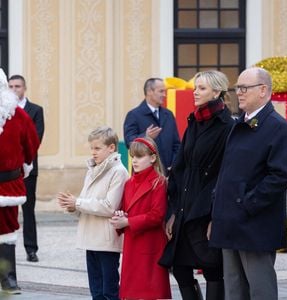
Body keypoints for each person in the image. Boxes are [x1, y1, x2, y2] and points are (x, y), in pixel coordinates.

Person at [209, 67, 287, 300]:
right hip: (229, 222)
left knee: (260, 291)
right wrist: (218, 211)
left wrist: (247, 204)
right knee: (234, 290)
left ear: (263, 90)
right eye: (238, 88)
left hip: (255, 225)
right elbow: (228, 172)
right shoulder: (239, 125)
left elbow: (280, 177)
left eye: (244, 88)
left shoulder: (277, 127)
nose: (239, 93)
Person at [159, 70, 234, 300]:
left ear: (217, 91)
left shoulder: (228, 126)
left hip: (205, 211)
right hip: (184, 209)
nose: (196, 92)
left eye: (202, 88)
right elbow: (179, 168)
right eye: (196, 88)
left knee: (213, 269)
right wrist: (172, 212)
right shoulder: (194, 122)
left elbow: (225, 174)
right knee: (180, 268)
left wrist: (215, 216)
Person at [57, 126, 129, 300]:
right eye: (91, 148)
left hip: (106, 240)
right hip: (90, 239)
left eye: (97, 148)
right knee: (96, 292)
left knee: (109, 291)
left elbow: (109, 206)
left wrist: (78, 203)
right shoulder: (92, 170)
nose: (93, 152)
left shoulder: (119, 172)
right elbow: (85, 204)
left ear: (111, 148)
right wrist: (73, 207)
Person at [110, 137, 171, 300]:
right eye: (133, 156)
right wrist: (120, 217)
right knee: (131, 293)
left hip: (151, 243)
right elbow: (124, 208)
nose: (135, 160)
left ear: (152, 158)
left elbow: (157, 215)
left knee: (150, 292)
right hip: (132, 243)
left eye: (139, 156)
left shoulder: (158, 182)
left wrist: (128, 221)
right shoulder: (129, 183)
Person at [0, 69, 40, 294]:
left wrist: (24, 165)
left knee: (6, 230)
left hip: (6, 184)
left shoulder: (18, 115)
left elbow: (31, 143)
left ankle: (8, 279)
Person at [8, 74, 45, 263]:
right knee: (6, 210)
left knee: (28, 209)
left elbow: (36, 139)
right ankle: (6, 248)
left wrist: (19, 157)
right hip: (7, 171)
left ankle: (31, 249)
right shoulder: (4, 110)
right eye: (11, 86)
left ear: (25, 88)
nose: (14, 89)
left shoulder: (36, 110)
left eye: (18, 86)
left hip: (28, 167)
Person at [123, 77, 180, 174]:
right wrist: (146, 137)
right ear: (149, 91)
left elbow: (177, 144)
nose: (164, 95)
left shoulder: (168, 115)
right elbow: (129, 142)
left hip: (170, 175)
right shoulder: (133, 115)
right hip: (145, 176)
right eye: (161, 91)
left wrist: (174, 164)